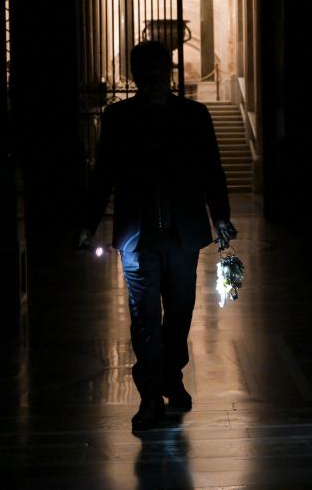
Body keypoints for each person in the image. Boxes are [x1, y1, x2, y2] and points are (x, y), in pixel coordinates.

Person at [78, 40, 237, 432]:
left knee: (179, 312)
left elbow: (211, 171)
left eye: (159, 72)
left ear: (168, 73)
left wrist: (221, 219)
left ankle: (170, 375)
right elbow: (103, 176)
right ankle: (150, 394)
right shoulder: (119, 118)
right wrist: (87, 221)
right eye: (146, 74)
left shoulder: (193, 116)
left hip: (181, 233)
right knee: (146, 316)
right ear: (135, 76)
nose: (153, 81)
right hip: (139, 237)